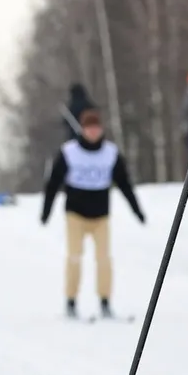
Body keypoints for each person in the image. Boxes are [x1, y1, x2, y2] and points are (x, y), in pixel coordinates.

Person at [40, 107, 145, 318]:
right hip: (75, 214)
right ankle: (71, 301)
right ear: (83, 130)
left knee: (104, 259)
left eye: (96, 128)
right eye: (89, 128)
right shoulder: (69, 152)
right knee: (75, 257)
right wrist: (46, 211)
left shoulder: (110, 153)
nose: (93, 132)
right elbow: (53, 184)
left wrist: (137, 211)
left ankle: (105, 301)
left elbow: (124, 184)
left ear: (101, 129)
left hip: (100, 216)